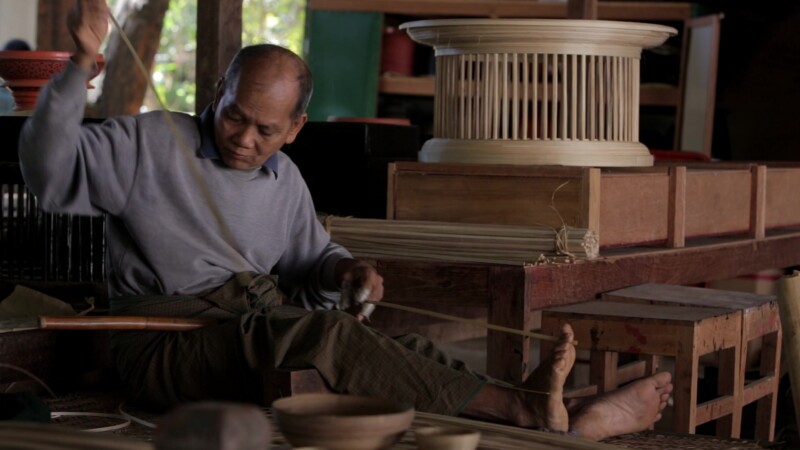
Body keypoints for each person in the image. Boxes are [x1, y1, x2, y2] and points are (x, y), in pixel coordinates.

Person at [19, 0, 673, 441]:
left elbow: (312, 268)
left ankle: (517, 398)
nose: (244, 138)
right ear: (216, 93)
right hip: (165, 342)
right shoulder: (152, 143)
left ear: (296, 129)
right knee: (327, 340)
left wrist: (345, 271)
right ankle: (529, 410)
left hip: (252, 324)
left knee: (375, 340)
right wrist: (81, 67)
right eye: (233, 116)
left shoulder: (282, 180)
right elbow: (49, 176)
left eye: (266, 128)